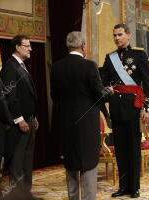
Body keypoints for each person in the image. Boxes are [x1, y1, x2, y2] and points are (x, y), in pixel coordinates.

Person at [51, 31, 112, 200]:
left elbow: (54, 96)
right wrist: (110, 92)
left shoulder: (57, 66)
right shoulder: (89, 65)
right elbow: (99, 94)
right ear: (83, 46)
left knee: (71, 164)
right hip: (87, 125)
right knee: (88, 164)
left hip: (66, 123)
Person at [100, 24, 149, 198]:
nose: (117, 38)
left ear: (128, 35)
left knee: (133, 149)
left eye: (120, 34)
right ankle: (123, 186)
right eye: (115, 35)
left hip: (134, 108)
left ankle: (134, 187)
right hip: (116, 108)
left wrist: (146, 107)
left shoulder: (139, 55)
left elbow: (147, 82)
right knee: (121, 150)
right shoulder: (110, 58)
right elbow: (104, 83)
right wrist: (107, 91)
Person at [0, 35, 42, 200]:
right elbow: (10, 97)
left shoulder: (22, 66)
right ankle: (17, 196)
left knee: (27, 161)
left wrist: (33, 116)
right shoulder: (10, 67)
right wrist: (19, 119)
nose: (30, 49)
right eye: (27, 46)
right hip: (19, 124)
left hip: (29, 120)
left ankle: (26, 195)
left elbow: (27, 96)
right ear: (17, 47)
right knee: (17, 163)